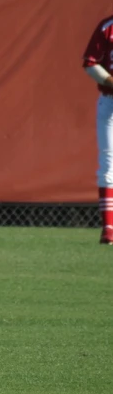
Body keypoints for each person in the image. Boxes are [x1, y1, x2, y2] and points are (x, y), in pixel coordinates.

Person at [82, 15, 113, 245]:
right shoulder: (108, 26)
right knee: (108, 164)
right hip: (110, 100)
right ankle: (109, 230)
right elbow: (90, 63)